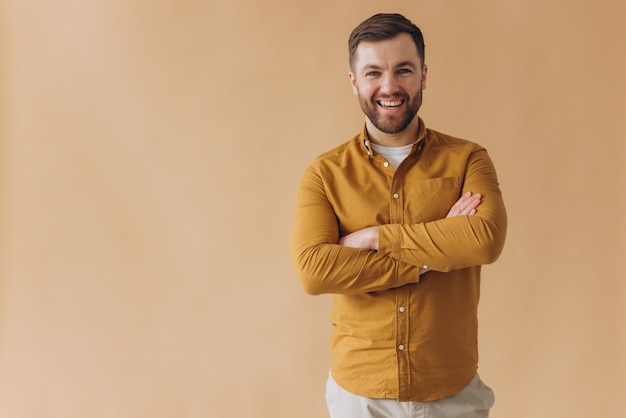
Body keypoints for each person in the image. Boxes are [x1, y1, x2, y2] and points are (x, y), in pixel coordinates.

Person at [290, 13, 507, 418]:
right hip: (360, 395)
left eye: (403, 70)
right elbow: (313, 270)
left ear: (423, 75)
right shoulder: (324, 173)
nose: (389, 86)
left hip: (451, 392)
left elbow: (485, 239)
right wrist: (438, 246)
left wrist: (374, 238)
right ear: (354, 81)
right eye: (373, 72)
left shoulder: (468, 160)